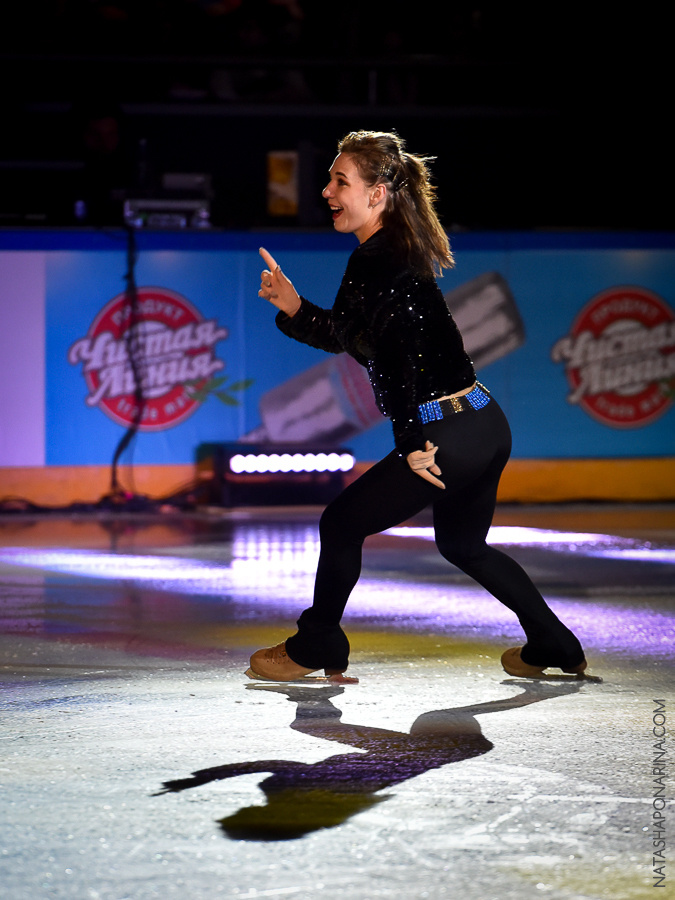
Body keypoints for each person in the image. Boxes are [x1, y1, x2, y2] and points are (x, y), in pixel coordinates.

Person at [248, 129, 587, 683]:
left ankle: (315, 644)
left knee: (341, 523)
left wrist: (410, 443)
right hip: (482, 423)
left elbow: (399, 360)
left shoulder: (378, 262)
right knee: (464, 545)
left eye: (340, 182)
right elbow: (353, 338)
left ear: (377, 193)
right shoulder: (388, 254)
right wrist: (293, 306)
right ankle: (555, 642)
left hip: (443, 434)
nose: (327, 192)